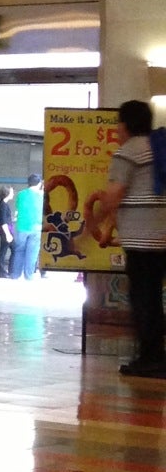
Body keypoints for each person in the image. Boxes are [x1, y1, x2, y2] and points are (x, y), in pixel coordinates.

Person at [98, 99, 166, 379]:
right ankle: (154, 355)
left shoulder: (128, 152)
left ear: (124, 125)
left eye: (117, 123)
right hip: (163, 237)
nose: (116, 129)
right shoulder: (160, 148)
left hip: (143, 241)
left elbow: (114, 195)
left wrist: (92, 223)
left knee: (144, 299)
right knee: (152, 299)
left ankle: (151, 359)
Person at [11, 171, 43, 279]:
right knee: (32, 253)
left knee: (19, 250)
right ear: (39, 183)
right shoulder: (42, 195)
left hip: (21, 227)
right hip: (37, 227)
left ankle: (15, 275)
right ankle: (29, 276)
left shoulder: (21, 194)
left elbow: (18, 208)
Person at [0, 187, 16, 278]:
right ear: (7, 194)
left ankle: (6, 271)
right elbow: (3, 221)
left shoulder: (4, 204)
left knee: (11, 250)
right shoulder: (2, 205)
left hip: (7, 230)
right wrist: (8, 234)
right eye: (11, 192)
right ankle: (4, 272)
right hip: (6, 231)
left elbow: (6, 219)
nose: (13, 194)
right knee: (5, 251)